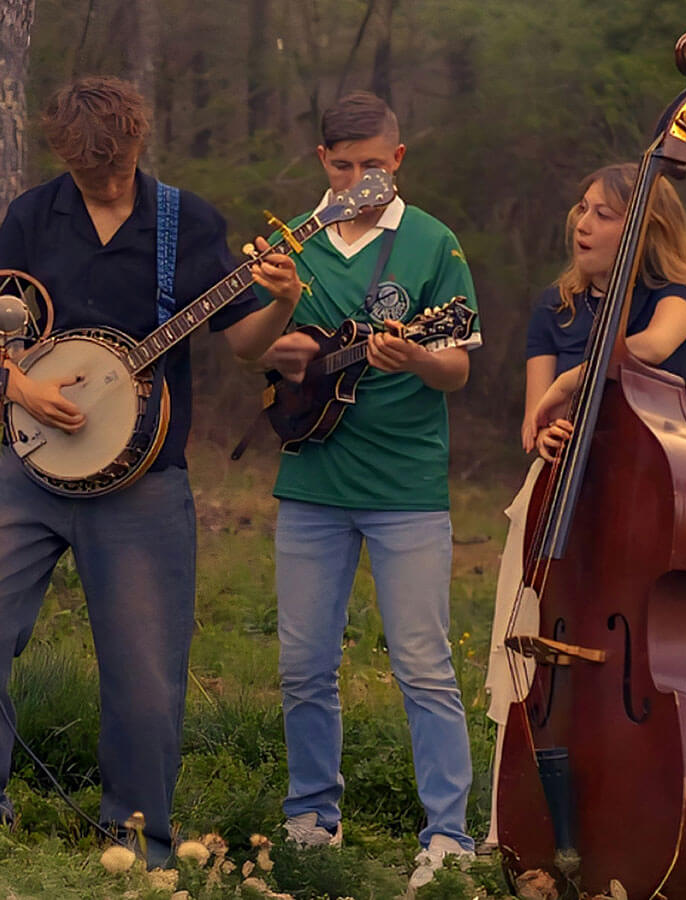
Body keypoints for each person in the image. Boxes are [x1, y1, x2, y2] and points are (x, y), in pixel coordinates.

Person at [0, 75, 304, 865]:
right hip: (32, 472)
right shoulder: (35, 214)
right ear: (65, 154)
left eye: (116, 165)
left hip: (144, 484)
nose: (106, 181)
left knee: (144, 676)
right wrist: (22, 387)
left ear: (138, 142)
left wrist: (283, 299)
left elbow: (246, 344)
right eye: (88, 169)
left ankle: (137, 842)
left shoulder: (187, 221)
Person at [250, 91, 482, 889]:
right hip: (311, 481)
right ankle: (312, 816)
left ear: (398, 159)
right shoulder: (297, 242)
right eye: (343, 166)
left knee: (422, 662)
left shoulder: (433, 243)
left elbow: (456, 363)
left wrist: (417, 359)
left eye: (373, 166)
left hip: (406, 487)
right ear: (323, 162)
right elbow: (255, 347)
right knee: (304, 663)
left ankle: (448, 835)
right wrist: (284, 343)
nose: (358, 180)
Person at [483, 161, 686, 846]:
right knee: (527, 658)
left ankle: (639, 819)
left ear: (645, 227)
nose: (583, 224)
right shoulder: (551, 308)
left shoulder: (673, 294)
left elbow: (649, 347)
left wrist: (578, 378)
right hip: (556, 500)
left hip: (641, 503)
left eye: (605, 214)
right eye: (582, 209)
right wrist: (545, 422)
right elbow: (533, 423)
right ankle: (511, 831)